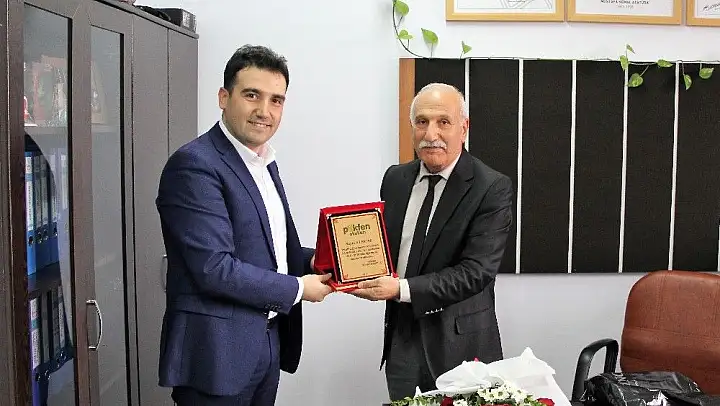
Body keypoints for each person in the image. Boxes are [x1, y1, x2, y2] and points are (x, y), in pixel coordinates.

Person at [155, 44, 333, 406]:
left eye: (276, 100)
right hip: (215, 354)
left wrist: (318, 261)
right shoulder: (195, 165)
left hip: (265, 341)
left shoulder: (263, 162)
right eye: (252, 95)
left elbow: (266, 249)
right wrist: (299, 288)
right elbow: (214, 268)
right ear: (224, 97)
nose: (264, 111)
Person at [351, 83, 514, 401]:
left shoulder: (491, 187)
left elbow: (476, 272)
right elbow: (382, 249)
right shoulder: (395, 179)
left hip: (461, 347)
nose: (431, 133)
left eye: (443, 122)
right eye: (422, 122)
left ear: (463, 128)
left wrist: (400, 289)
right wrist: (343, 265)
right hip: (401, 340)